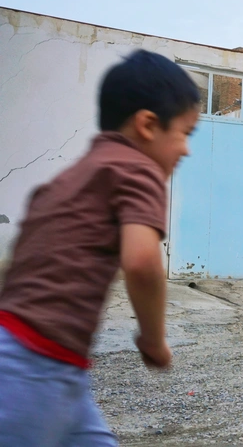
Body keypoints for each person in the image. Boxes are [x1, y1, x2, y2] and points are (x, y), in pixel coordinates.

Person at [0, 49, 200, 446]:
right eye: (185, 133)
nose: (186, 149)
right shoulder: (137, 169)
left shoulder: (70, 178)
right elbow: (142, 262)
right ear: (147, 125)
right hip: (36, 366)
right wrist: (153, 341)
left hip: (54, 364)